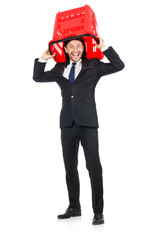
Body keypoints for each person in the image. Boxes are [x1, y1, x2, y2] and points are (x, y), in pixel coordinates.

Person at [33, 36, 125, 225]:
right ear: (66, 49)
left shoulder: (94, 65)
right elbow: (38, 77)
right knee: (70, 167)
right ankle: (74, 207)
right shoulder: (59, 68)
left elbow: (119, 65)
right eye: (71, 47)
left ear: (83, 49)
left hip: (88, 123)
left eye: (78, 46)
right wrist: (42, 59)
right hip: (67, 123)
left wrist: (104, 48)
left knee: (93, 167)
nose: (75, 50)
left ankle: (98, 212)